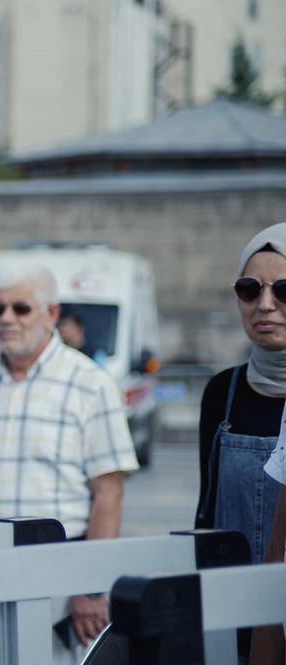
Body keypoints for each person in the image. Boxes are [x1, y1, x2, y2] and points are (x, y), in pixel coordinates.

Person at [0, 263, 138, 663]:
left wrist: (90, 587)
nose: (6, 319)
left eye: (20, 308)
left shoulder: (91, 383)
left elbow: (109, 492)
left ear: (51, 313)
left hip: (60, 585)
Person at [200, 224, 286, 665]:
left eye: (283, 290)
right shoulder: (223, 392)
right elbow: (206, 511)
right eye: (250, 289)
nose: (265, 304)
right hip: (228, 615)